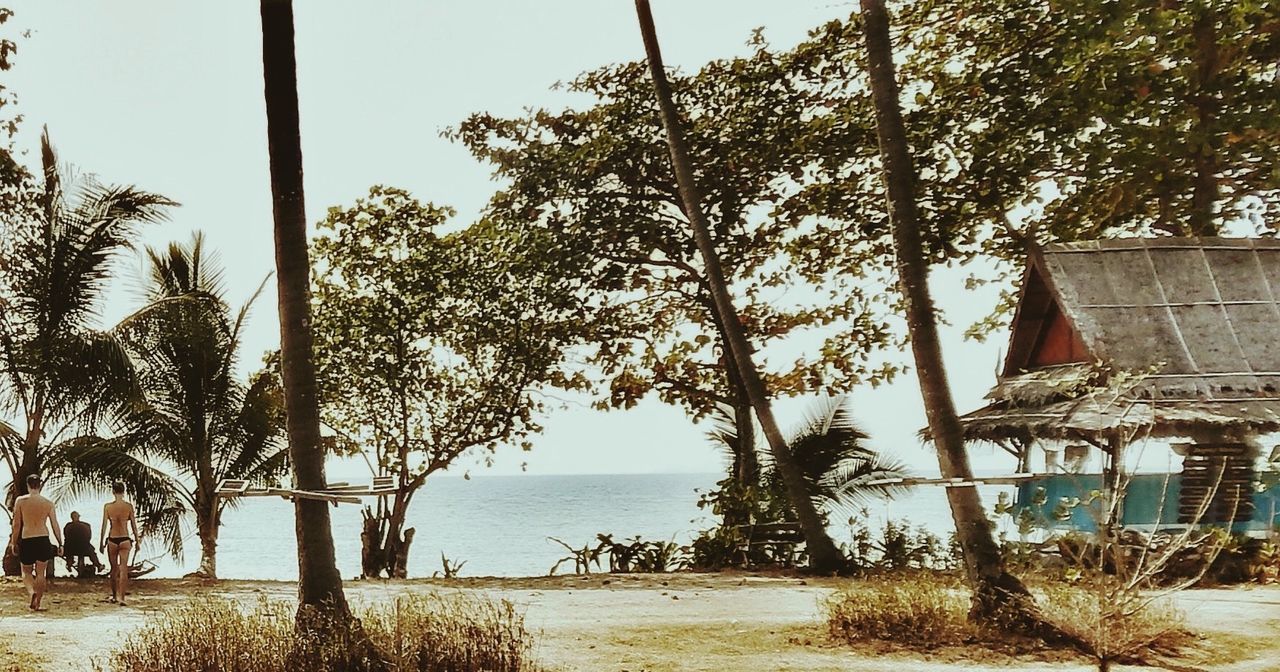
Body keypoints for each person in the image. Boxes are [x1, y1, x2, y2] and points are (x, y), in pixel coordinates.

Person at [8, 474, 63, 611]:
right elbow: (55, 524)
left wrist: (14, 542)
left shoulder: (21, 501)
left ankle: (32, 592)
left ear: (28, 485)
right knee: (40, 572)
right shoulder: (47, 503)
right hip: (43, 538)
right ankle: (37, 602)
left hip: (28, 539)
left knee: (26, 572)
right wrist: (60, 542)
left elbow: (16, 524)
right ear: (40, 485)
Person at [100, 481, 140, 606]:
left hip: (112, 539)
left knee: (113, 569)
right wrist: (138, 541)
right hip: (125, 539)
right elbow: (133, 525)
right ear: (124, 492)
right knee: (123, 569)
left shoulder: (108, 507)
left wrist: (101, 542)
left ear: (113, 492)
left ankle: (114, 596)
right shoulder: (128, 506)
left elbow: (104, 526)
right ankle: (122, 598)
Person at [62, 511, 103, 575]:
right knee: (92, 552)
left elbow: (66, 537)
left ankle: (69, 564)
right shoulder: (86, 525)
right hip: (84, 548)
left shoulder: (68, 526)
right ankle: (98, 565)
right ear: (78, 517)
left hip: (70, 549)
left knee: (68, 547)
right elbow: (89, 537)